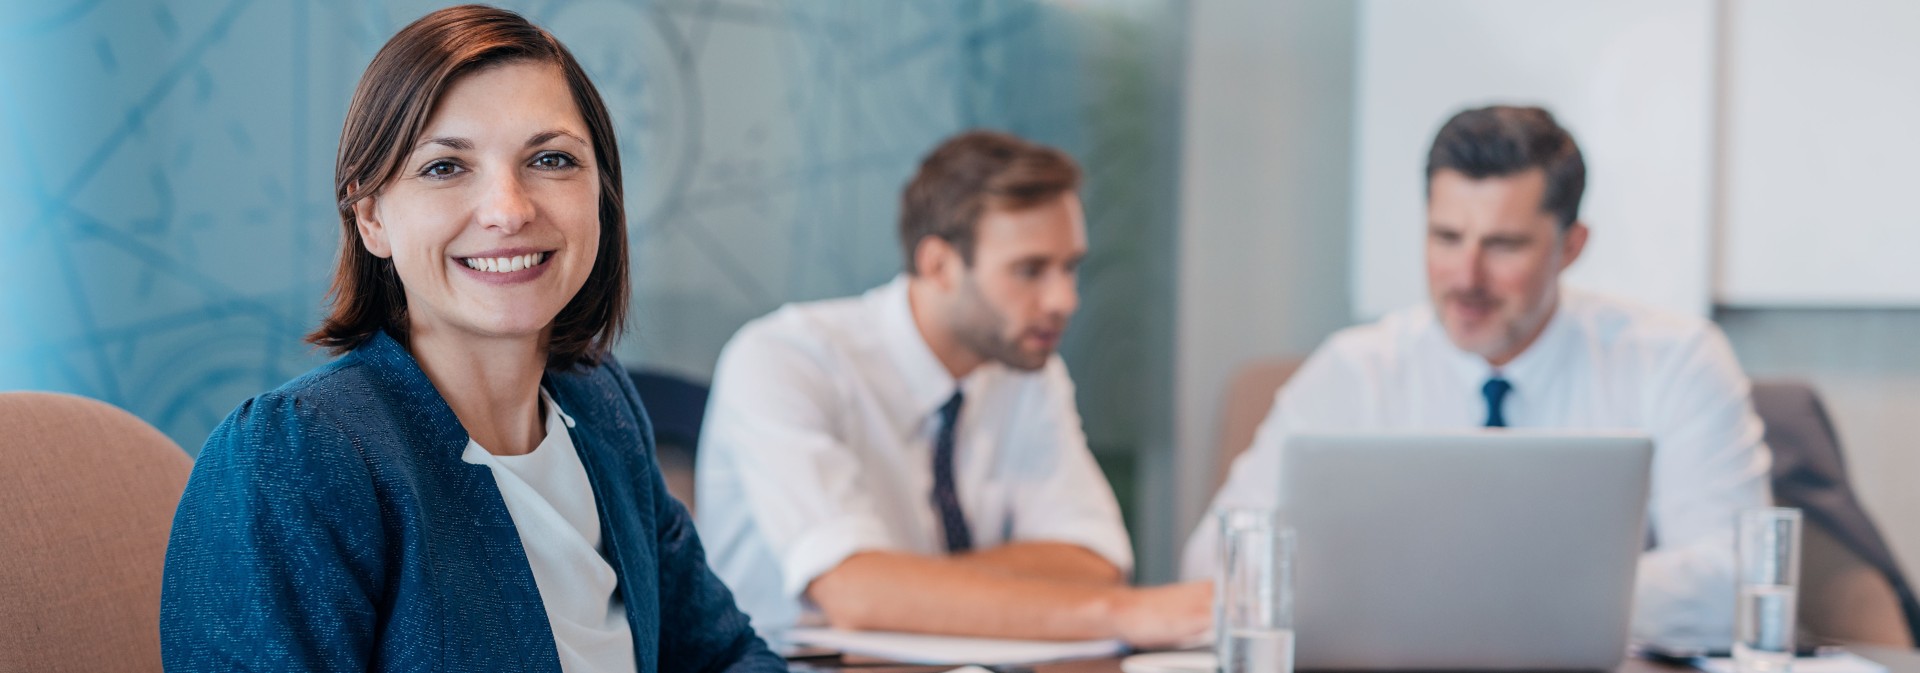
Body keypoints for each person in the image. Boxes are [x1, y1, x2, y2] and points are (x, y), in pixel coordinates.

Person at [160, 6, 782, 672]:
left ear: (602, 194)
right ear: (371, 217)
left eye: (551, 159)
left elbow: (723, 656)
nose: (510, 210)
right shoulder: (294, 457)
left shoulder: (601, 405)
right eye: (444, 168)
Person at [1185, 105, 1772, 648]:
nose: (1466, 277)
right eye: (1446, 238)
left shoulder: (1673, 360)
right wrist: (1557, 598)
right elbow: (1216, 563)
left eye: (1503, 245)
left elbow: (1735, 581)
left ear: (1571, 246)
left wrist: (1482, 601)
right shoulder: (1353, 371)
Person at [696, 130, 1210, 646]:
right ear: (938, 265)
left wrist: (915, 589)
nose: (1063, 299)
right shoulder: (785, 360)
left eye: (1070, 267)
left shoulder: (1026, 370)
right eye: (1029, 270)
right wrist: (1118, 614)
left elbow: (1096, 559)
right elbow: (855, 593)